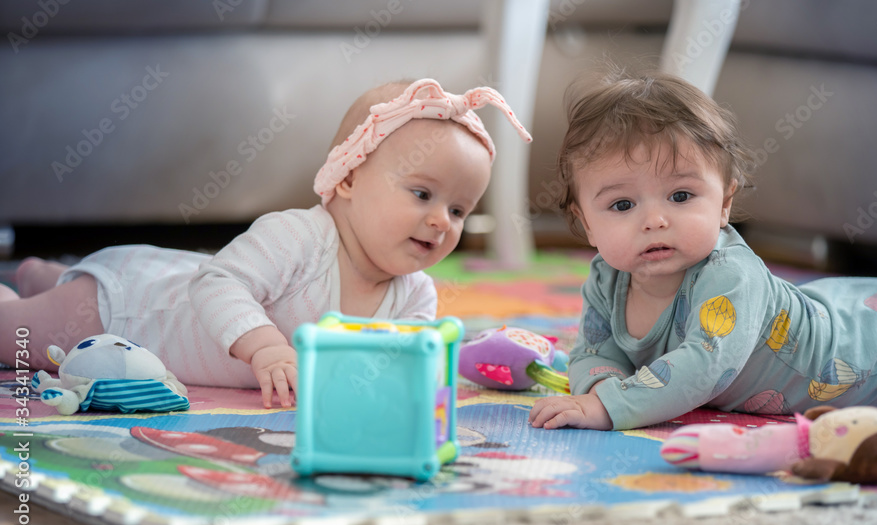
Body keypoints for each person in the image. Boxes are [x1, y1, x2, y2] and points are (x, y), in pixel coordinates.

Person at [0, 78, 532, 408]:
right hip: (122, 311)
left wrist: (450, 361)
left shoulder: (414, 295)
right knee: (20, 335)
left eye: (460, 210)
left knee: (57, 285)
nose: (441, 221)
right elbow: (219, 280)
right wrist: (267, 347)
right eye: (422, 193)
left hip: (148, 286)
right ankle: (26, 293)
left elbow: (396, 365)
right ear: (346, 179)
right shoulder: (299, 236)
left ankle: (41, 273)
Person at [529, 70, 877, 431]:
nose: (655, 220)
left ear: (724, 204)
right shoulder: (606, 278)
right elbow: (595, 348)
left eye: (680, 196)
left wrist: (607, 408)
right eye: (623, 204)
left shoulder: (728, 275)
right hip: (846, 312)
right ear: (585, 223)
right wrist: (597, 387)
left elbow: (702, 366)